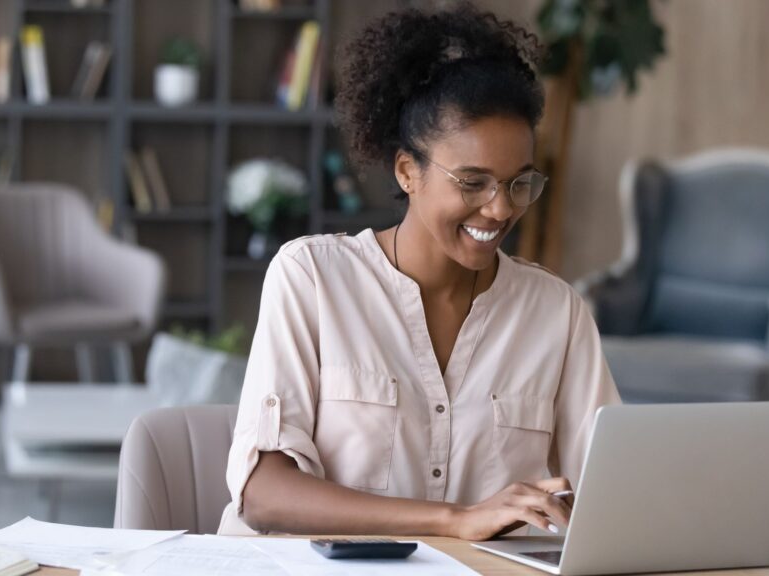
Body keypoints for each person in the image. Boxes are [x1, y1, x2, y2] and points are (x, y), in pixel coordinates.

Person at [218, 2, 621, 540]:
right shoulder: (312, 278)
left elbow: (611, 488)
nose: (500, 209)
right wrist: (457, 520)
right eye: (473, 182)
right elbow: (262, 494)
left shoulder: (555, 312)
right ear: (408, 170)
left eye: (519, 183)